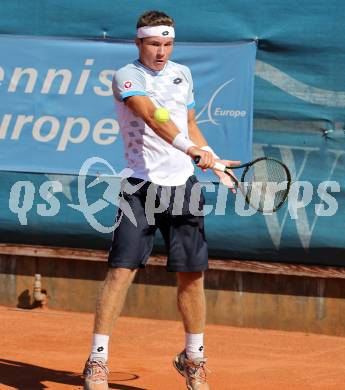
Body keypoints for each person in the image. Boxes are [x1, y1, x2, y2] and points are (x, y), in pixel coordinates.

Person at [83, 10, 238, 390]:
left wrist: (212, 158)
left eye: (167, 44)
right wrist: (190, 149)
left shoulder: (182, 74)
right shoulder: (127, 77)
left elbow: (189, 124)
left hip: (183, 187)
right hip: (140, 187)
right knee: (122, 271)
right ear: (138, 42)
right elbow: (152, 117)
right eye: (154, 43)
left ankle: (194, 358)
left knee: (192, 275)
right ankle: (97, 361)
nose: (161, 51)